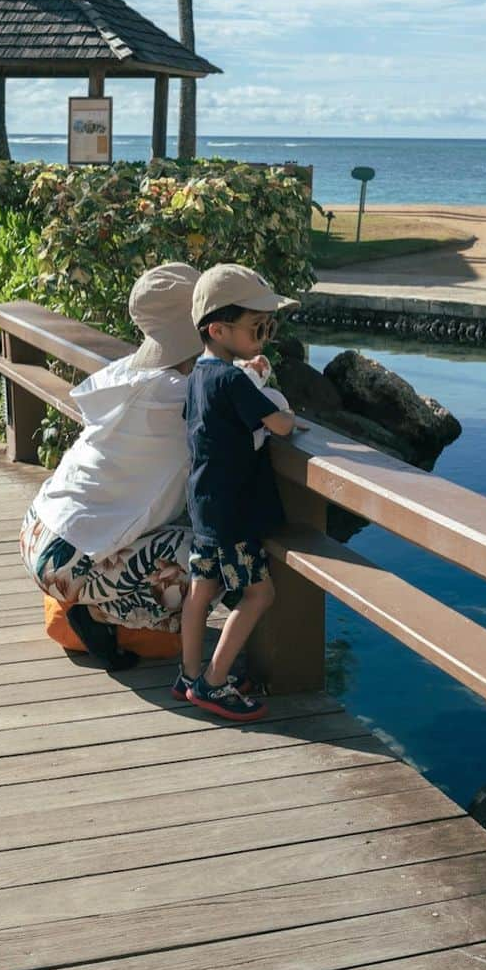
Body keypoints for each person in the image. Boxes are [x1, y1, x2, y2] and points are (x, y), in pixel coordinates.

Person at [19, 262, 202, 671]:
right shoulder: (179, 392)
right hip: (68, 560)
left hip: (39, 529)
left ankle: (90, 605)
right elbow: (256, 417)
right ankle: (100, 613)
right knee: (214, 552)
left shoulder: (124, 373)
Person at [176, 264, 299, 722]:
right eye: (257, 327)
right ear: (218, 328)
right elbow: (281, 424)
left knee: (201, 589)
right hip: (236, 514)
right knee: (259, 596)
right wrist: (268, 393)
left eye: (268, 326)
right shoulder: (232, 381)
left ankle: (188, 675)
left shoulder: (199, 376)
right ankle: (213, 681)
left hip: (205, 507)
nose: (264, 336)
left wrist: (249, 375)